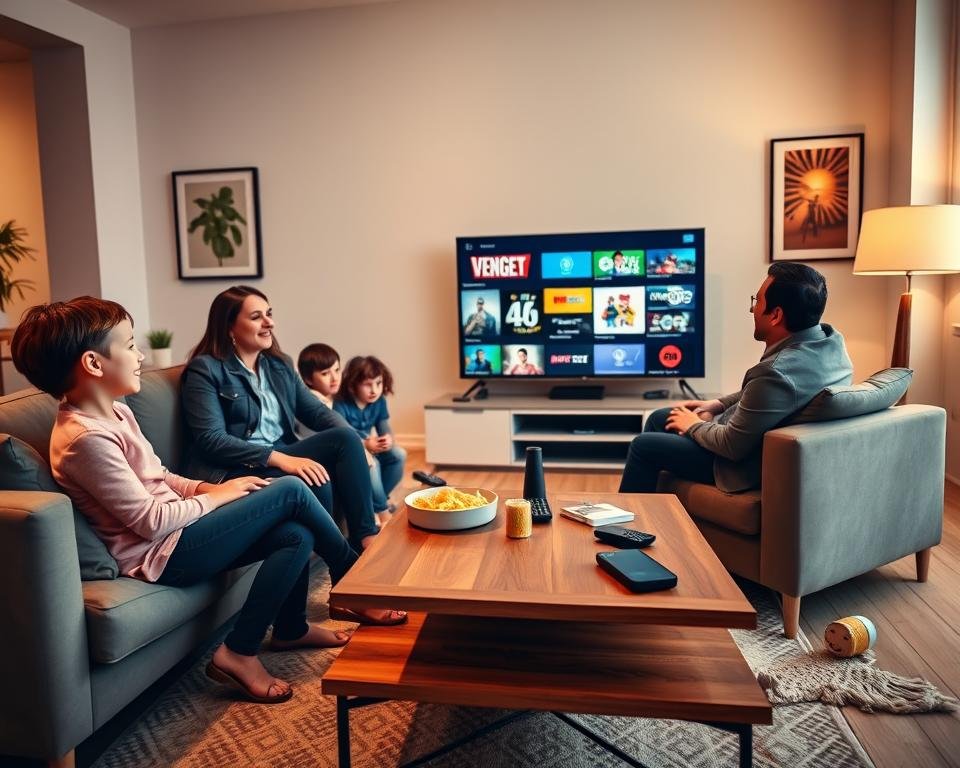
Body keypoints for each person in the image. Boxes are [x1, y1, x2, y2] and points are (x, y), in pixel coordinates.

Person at [10, 297, 406, 705]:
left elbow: (161, 476)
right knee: (289, 489)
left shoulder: (115, 413)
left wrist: (206, 489)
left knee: (295, 534)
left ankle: (269, 638)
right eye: (129, 345)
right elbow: (149, 521)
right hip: (161, 554)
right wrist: (221, 497)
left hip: (182, 531)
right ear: (94, 364)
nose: (140, 355)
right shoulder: (84, 439)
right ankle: (353, 584)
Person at [619, 262, 853, 494]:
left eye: (757, 301)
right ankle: (659, 508)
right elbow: (767, 393)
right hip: (750, 440)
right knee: (662, 417)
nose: (752, 310)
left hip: (736, 466)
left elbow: (731, 445)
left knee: (644, 446)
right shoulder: (831, 343)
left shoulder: (775, 372)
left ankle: (626, 518)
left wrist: (693, 425)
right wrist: (718, 404)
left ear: (776, 315)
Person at [180, 286, 380, 551]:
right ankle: (341, 560)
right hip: (235, 466)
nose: (269, 323)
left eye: (269, 314)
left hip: (281, 449)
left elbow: (317, 413)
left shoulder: (280, 365)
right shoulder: (205, 369)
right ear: (229, 327)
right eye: (256, 317)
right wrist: (279, 458)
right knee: (315, 479)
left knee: (345, 438)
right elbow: (212, 439)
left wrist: (357, 444)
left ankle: (365, 537)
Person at [334, 356, 407, 521]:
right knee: (373, 463)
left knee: (399, 455)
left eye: (378, 383)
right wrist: (365, 444)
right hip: (351, 451)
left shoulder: (379, 401)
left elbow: (384, 428)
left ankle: (374, 504)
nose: (374, 390)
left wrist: (388, 440)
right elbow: (344, 434)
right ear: (353, 385)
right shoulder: (341, 403)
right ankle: (382, 511)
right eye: (368, 385)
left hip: (371, 446)